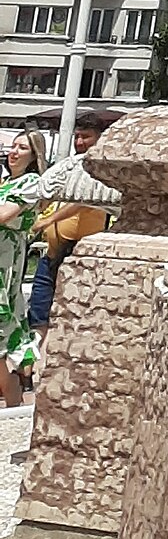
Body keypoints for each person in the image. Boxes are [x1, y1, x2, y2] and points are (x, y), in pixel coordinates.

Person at [24, 111, 118, 345]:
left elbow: (84, 201)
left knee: (71, 314)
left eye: (85, 137)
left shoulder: (104, 172)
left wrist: (48, 220)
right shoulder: (69, 168)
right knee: (38, 311)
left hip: (78, 252)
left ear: (99, 138)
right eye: (77, 136)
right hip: (52, 252)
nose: (79, 142)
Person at [0, 130, 47, 403]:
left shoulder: (31, 182)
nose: (14, 152)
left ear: (33, 155)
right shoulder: (6, 182)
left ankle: (15, 401)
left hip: (5, 261)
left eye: (22, 148)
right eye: (13, 146)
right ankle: (14, 401)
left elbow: (4, 215)